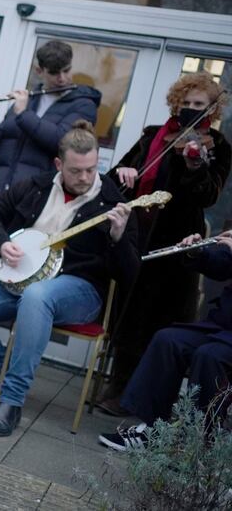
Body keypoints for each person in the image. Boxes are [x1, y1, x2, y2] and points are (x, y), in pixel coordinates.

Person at [0, 121, 138, 437]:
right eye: (76, 171)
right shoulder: (36, 187)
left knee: (38, 296)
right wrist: (1, 242)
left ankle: (11, 400)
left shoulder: (111, 201)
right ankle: (1, 369)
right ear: (58, 164)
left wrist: (118, 237)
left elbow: (130, 273)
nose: (85, 178)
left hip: (78, 289)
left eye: (91, 170)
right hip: (19, 279)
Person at [98, 71, 231, 416]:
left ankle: (145, 398)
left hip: (175, 242)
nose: (190, 108)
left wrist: (195, 165)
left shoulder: (216, 146)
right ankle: (118, 384)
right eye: (185, 102)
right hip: (137, 233)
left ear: (212, 109)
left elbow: (208, 196)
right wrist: (125, 174)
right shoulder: (153, 136)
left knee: (159, 317)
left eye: (198, 104)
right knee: (126, 313)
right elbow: (118, 176)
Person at [98, 231, 232, 451]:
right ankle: (152, 429)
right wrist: (197, 253)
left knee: (209, 356)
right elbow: (222, 266)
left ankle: (198, 443)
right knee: (168, 340)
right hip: (223, 326)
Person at [0, 40, 102, 197]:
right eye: (54, 73)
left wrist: (23, 115)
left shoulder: (84, 105)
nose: (62, 78)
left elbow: (62, 142)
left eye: (66, 70)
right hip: (0, 197)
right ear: (39, 71)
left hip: (37, 201)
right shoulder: (27, 100)